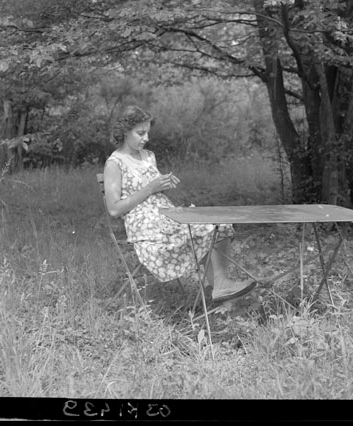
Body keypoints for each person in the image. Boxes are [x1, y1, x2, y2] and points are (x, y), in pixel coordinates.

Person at [102, 105, 256, 303]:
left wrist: (162, 185)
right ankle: (223, 291)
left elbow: (152, 190)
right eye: (140, 133)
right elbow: (114, 209)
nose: (146, 138)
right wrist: (150, 187)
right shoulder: (114, 163)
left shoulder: (148, 156)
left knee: (221, 225)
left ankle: (221, 286)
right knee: (207, 229)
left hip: (167, 215)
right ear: (124, 131)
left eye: (147, 132)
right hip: (146, 227)